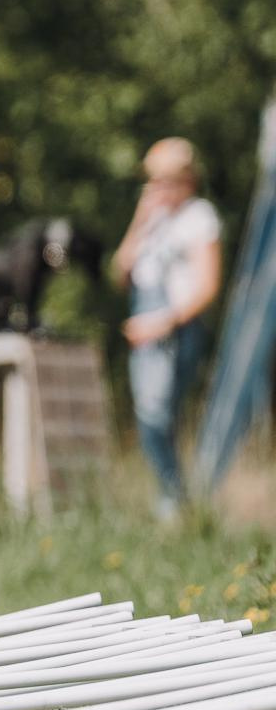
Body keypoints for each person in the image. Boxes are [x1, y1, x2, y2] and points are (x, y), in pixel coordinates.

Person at [112, 137, 222, 522]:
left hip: (176, 326)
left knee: (158, 414)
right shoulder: (152, 220)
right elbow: (120, 273)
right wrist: (140, 220)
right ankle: (174, 501)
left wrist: (165, 322)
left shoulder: (199, 217)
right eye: (152, 181)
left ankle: (175, 500)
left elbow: (207, 286)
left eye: (165, 181)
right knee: (151, 413)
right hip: (146, 323)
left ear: (187, 181)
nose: (157, 189)